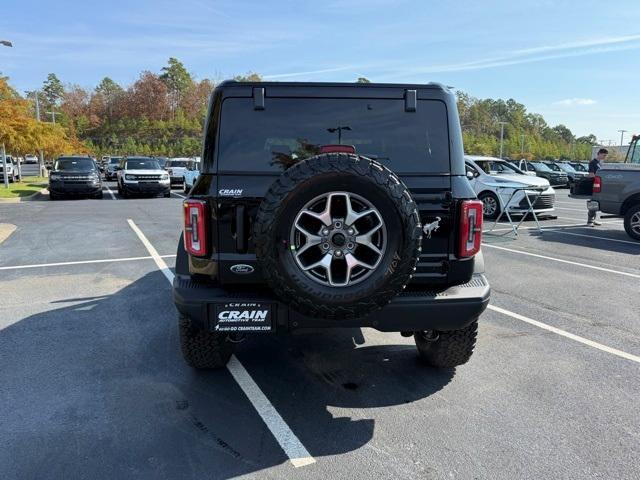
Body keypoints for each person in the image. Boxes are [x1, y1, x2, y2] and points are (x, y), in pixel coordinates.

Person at [587, 148, 607, 226]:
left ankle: (593, 219)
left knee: (596, 203)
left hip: (598, 185)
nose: (605, 157)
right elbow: (591, 174)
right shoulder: (593, 163)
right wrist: (599, 178)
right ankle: (589, 221)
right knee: (593, 203)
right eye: (604, 155)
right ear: (599, 154)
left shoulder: (599, 163)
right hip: (594, 185)